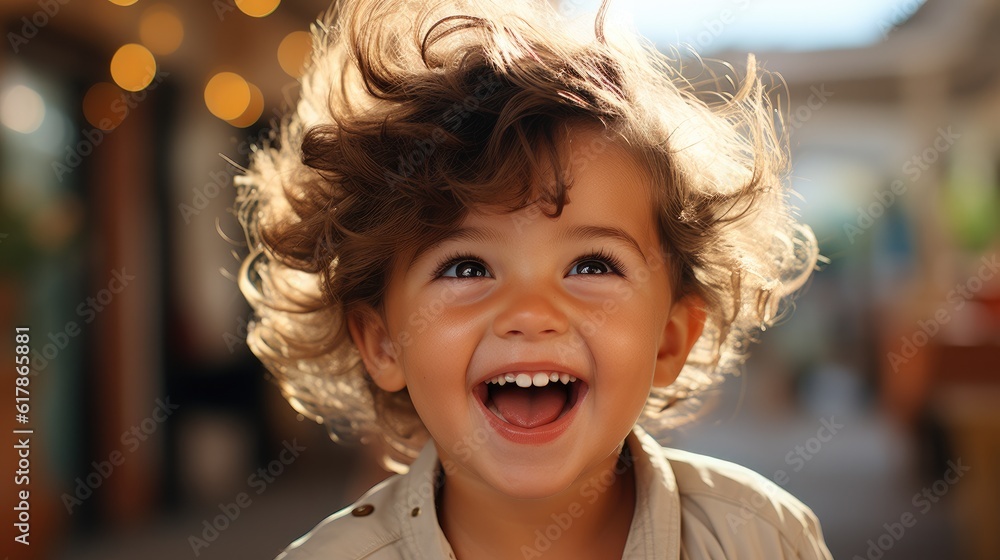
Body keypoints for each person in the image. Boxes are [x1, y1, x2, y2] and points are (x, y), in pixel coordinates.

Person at [235, 0, 831, 558]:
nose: (530, 312)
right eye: (467, 267)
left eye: (592, 265)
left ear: (671, 339)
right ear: (383, 342)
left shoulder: (762, 538)